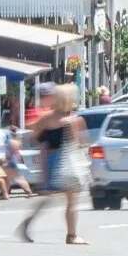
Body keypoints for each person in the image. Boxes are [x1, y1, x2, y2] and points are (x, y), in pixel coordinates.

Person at [16, 83, 88, 245]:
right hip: (66, 161)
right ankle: (72, 235)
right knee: (71, 200)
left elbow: (34, 137)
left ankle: (28, 222)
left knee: (48, 197)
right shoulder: (75, 120)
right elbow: (81, 143)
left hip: (49, 160)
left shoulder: (47, 118)